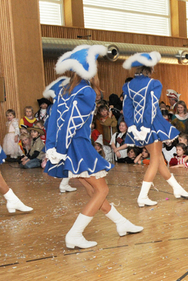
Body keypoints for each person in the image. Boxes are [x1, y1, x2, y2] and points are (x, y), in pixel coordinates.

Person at [45, 45, 142, 249]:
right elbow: (71, 121)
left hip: (68, 145)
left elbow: (53, 120)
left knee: (92, 189)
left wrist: (52, 146)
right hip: (77, 146)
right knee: (102, 189)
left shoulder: (64, 89)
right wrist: (60, 149)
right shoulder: (87, 91)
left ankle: (121, 223)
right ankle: (75, 234)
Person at [122, 51, 188, 207]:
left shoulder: (128, 85)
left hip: (137, 126)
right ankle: (143, 196)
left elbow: (126, 109)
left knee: (159, 159)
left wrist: (133, 126)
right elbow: (152, 107)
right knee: (155, 160)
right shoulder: (153, 83)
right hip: (151, 125)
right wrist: (146, 127)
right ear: (150, 67)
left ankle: (177, 188)